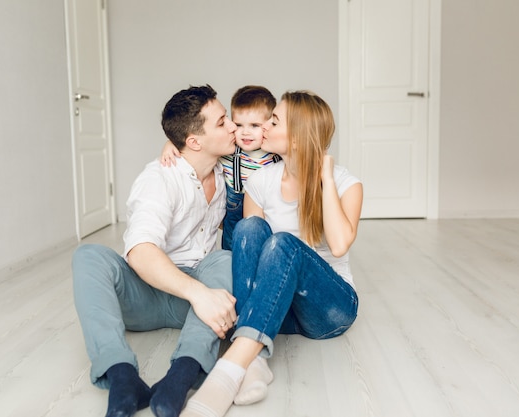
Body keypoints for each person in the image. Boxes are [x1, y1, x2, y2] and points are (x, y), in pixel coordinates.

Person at [180, 90, 363, 417]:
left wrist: (324, 178)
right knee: (249, 229)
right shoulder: (261, 180)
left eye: (273, 121)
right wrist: (171, 145)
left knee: (283, 244)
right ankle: (256, 361)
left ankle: (232, 366)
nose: (263, 128)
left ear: (295, 139)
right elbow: (253, 250)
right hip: (280, 311)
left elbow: (337, 245)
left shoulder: (346, 183)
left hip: (330, 309)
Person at [72, 84, 239, 417]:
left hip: (192, 307)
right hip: (148, 293)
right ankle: (121, 375)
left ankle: (182, 375)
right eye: (223, 122)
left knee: (224, 259)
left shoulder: (224, 172)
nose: (233, 126)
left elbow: (266, 138)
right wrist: (199, 294)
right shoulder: (159, 179)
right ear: (194, 141)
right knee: (88, 256)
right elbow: (140, 251)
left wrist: (200, 295)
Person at [161, 85, 280, 250]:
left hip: (267, 212)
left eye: (254, 126)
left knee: (266, 248)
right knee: (231, 249)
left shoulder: (275, 153)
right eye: (238, 125)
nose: (245, 132)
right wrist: (170, 143)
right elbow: (192, 141)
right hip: (234, 214)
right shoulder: (227, 152)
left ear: (268, 125)